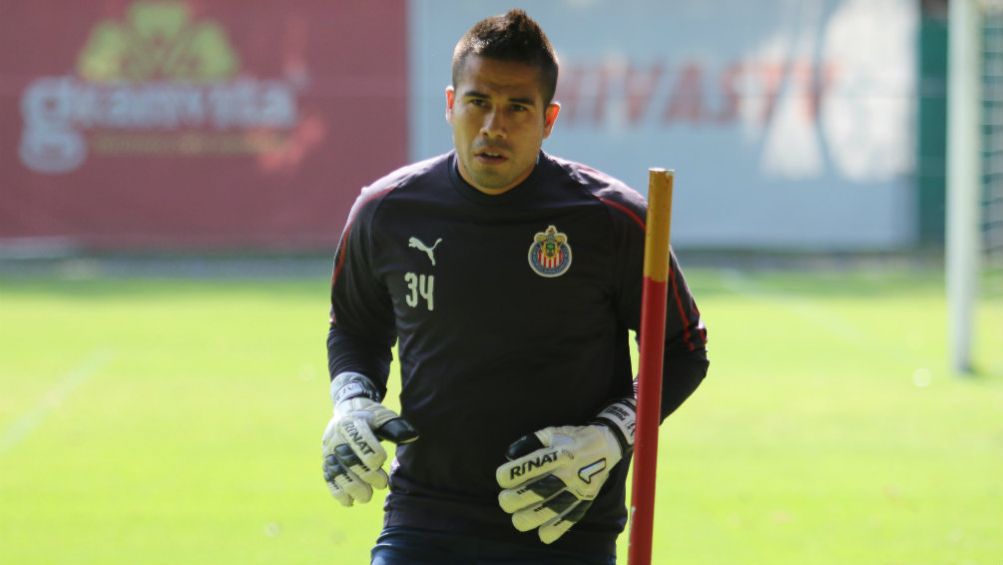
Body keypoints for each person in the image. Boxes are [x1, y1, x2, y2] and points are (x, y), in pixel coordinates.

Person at [321, 9, 709, 565]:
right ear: (451, 103)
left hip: (562, 519)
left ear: (548, 118)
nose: (493, 127)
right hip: (424, 519)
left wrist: (611, 434)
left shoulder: (614, 220)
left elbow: (683, 350)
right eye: (478, 101)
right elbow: (356, 326)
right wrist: (353, 400)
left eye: (517, 108)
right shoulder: (386, 212)